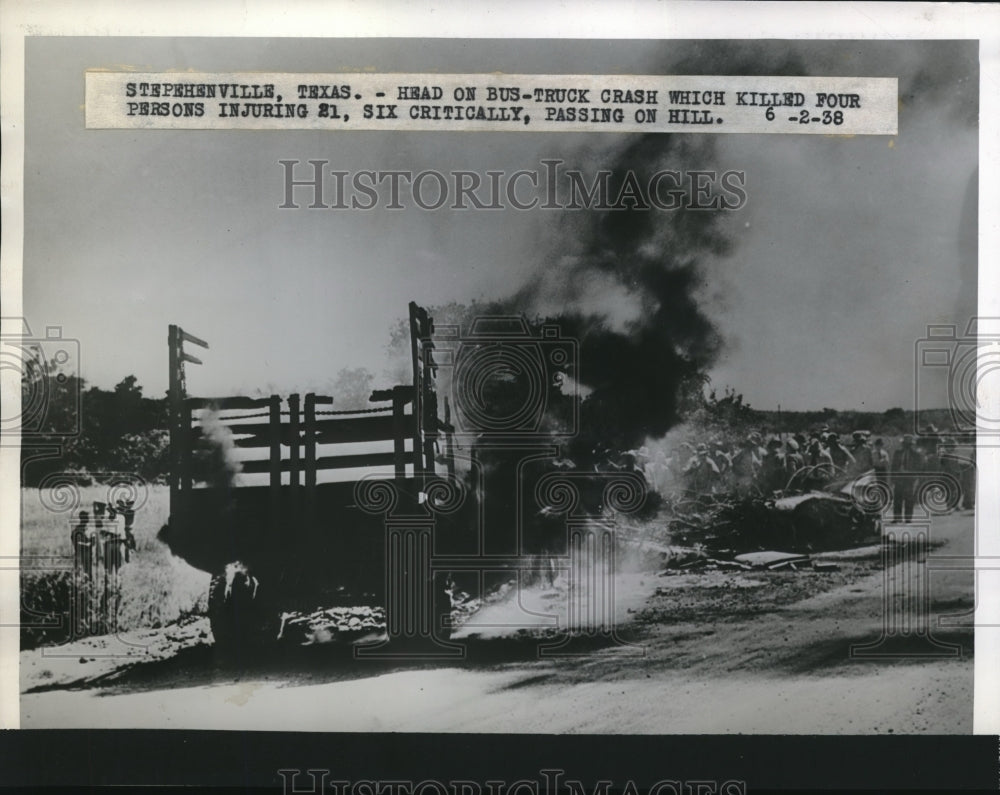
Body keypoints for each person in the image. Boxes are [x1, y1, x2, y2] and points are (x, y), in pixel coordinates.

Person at [891, 434, 923, 523]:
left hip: (909, 478)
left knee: (909, 498)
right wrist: (893, 478)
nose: (906, 446)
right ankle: (897, 517)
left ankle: (908, 518)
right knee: (897, 498)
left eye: (908, 444)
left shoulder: (916, 455)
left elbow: (918, 467)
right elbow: (893, 466)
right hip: (899, 477)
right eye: (905, 444)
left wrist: (912, 473)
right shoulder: (897, 453)